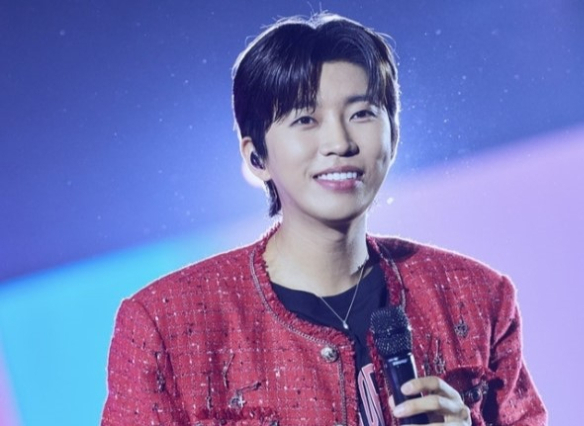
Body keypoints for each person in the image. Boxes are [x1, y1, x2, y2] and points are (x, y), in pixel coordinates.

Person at [101, 13, 547, 426]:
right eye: (305, 119)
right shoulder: (168, 325)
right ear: (257, 157)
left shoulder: (477, 296)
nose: (339, 142)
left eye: (361, 114)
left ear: (393, 136)